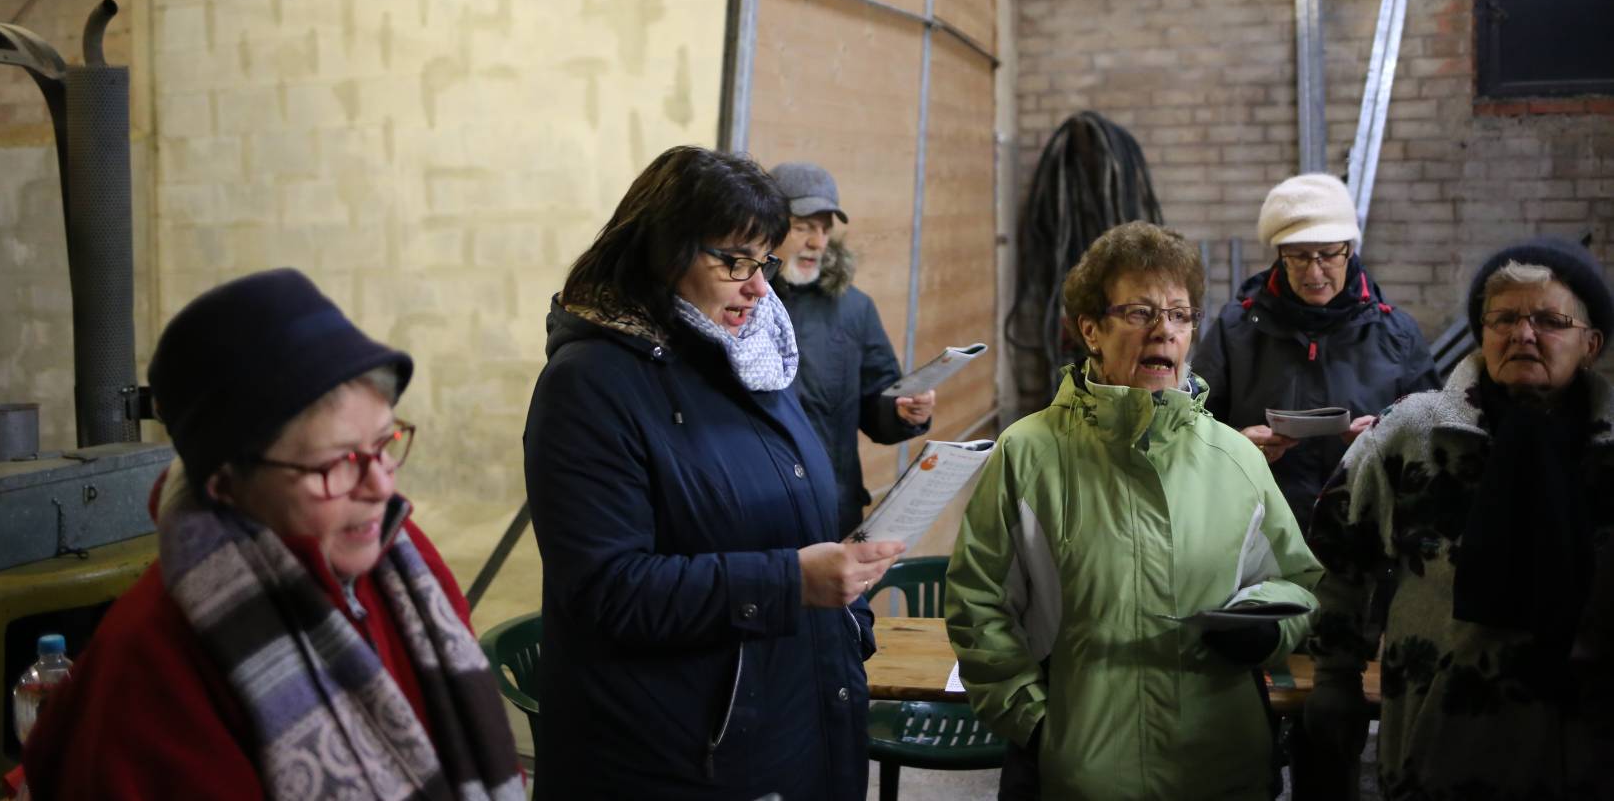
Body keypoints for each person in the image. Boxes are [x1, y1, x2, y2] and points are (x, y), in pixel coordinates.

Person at [20, 269, 521, 800]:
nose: (381, 485)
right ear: (227, 482)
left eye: (384, 443)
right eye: (338, 463)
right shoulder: (148, 671)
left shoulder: (404, 553)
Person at [522, 145, 905, 800]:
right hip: (678, 757)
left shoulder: (753, 360)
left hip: (788, 714)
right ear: (662, 254)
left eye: (763, 261)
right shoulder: (588, 386)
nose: (759, 286)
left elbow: (790, 513)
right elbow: (608, 590)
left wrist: (845, 612)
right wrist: (792, 583)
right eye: (734, 261)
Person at [945, 221, 1322, 799]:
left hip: (1222, 769)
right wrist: (1040, 726)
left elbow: (1297, 581)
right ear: (1091, 330)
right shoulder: (1028, 452)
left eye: (1179, 314)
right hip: (1082, 774)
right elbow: (977, 606)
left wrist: (1263, 629)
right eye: (1140, 313)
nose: (1164, 332)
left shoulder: (1236, 458)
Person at [1305, 237, 1614, 799]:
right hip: (1437, 744)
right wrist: (1334, 680)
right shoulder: (1416, 432)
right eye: (1504, 319)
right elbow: (1336, 556)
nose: (1523, 334)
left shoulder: (1608, 452)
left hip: (1586, 748)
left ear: (1590, 344)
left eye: (1550, 319)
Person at [1193, 172, 1439, 531]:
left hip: (1365, 532)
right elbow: (1191, 428)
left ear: (1350, 250)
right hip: (1259, 531)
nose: (1314, 271)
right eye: (1298, 256)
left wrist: (1389, 438)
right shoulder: (1238, 329)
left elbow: (1436, 439)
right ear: (1280, 255)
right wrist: (1237, 446)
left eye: (1328, 255)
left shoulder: (1396, 334)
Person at [768, 160, 935, 538]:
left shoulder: (855, 308)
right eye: (803, 227)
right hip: (756, 512)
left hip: (833, 512)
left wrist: (906, 412)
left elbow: (879, 400)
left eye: (825, 230)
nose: (817, 242)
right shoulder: (741, 302)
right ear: (768, 225)